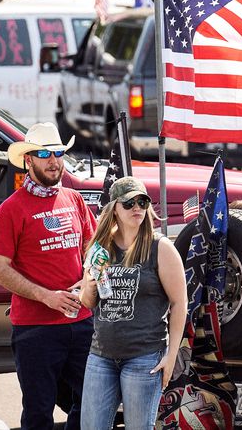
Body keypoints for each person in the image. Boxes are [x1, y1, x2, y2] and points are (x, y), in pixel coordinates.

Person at [0, 122, 97, 430]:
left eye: (58, 152)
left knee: (93, 401)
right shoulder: (11, 209)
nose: (54, 160)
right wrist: (45, 296)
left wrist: (87, 278)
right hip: (36, 329)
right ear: (28, 160)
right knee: (38, 412)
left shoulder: (74, 199)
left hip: (81, 321)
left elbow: (95, 249)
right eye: (44, 153)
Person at [80, 176, 187, 430]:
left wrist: (171, 357)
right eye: (129, 203)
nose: (137, 207)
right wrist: (92, 285)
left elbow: (180, 303)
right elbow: (87, 302)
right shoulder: (100, 247)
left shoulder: (160, 248)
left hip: (144, 357)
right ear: (114, 208)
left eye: (142, 201)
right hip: (101, 355)